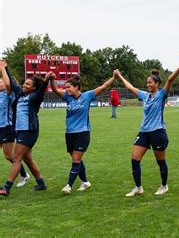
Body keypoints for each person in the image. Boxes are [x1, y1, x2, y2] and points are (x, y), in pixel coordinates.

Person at [116, 60, 179, 197]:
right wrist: (119, 76)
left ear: (157, 84)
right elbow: (130, 88)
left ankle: (164, 185)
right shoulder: (145, 96)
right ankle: (138, 187)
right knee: (134, 158)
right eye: (147, 83)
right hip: (144, 132)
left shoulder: (161, 95)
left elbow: (171, 79)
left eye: (150, 82)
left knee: (160, 161)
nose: (148, 85)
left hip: (158, 132)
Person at [49, 73, 116, 195]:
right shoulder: (67, 97)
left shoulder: (87, 96)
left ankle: (69, 185)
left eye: (68, 87)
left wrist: (114, 77)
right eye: (66, 87)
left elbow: (103, 86)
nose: (66, 89)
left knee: (75, 160)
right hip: (69, 133)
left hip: (82, 133)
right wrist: (52, 80)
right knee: (77, 160)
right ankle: (85, 182)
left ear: (76, 87)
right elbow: (54, 89)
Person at [0, 61, 50, 196]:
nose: (24, 85)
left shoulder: (34, 98)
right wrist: (5, 68)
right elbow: (12, 82)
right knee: (27, 159)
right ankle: (41, 184)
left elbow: (41, 91)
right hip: (21, 131)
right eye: (24, 83)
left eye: (27, 84)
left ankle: (6, 187)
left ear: (33, 88)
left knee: (16, 158)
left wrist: (46, 81)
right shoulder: (21, 95)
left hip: (30, 131)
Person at [0, 61, 30, 187]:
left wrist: (2, 67)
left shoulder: (9, 93)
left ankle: (23, 174)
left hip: (7, 127)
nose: (0, 82)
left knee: (8, 156)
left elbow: (8, 83)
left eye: (0, 81)